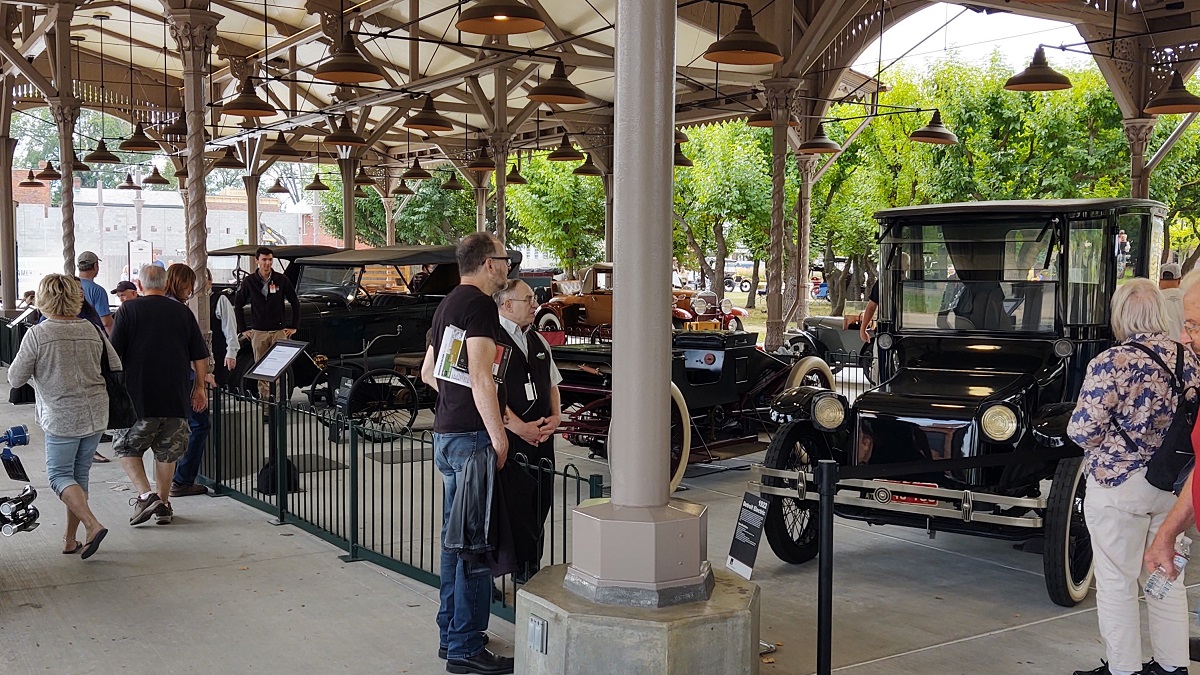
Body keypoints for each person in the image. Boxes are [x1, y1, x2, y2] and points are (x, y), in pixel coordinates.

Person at [1067, 278, 1197, 675]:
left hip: (1117, 486)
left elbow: (1083, 431)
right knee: (1165, 575)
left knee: (1116, 581)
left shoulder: (1112, 362)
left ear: (1120, 315)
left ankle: (1123, 669)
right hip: (1171, 486)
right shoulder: (1189, 358)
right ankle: (1173, 666)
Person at [420, 233, 514, 675]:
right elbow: (481, 377)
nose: (508, 265)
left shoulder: (446, 306)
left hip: (445, 435)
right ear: (487, 264)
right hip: (472, 440)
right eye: (504, 258)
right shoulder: (479, 307)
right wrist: (498, 435)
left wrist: (457, 403)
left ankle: (449, 633)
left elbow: (429, 373)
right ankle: (465, 647)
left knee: (452, 541)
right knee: (474, 545)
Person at [8, 273, 113, 559]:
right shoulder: (92, 329)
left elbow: (15, 378)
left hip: (62, 415)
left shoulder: (39, 334)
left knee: (58, 476)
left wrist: (45, 378)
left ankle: (92, 525)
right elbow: (114, 366)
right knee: (78, 477)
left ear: (43, 300)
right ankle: (69, 539)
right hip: (95, 413)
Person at [111, 264, 210, 527]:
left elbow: (113, 354)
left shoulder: (128, 310)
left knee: (126, 447)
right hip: (175, 396)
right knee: (168, 453)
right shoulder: (182, 312)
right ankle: (164, 505)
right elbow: (200, 355)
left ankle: (146, 495)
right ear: (166, 286)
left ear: (140, 286)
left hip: (137, 398)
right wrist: (199, 387)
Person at [493, 279, 562, 584]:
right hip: (509, 440)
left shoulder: (538, 340)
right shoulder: (491, 340)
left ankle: (529, 569)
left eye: (534, 299)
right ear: (507, 305)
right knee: (510, 510)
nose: (536, 304)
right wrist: (517, 427)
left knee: (539, 504)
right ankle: (501, 571)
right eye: (528, 299)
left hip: (542, 440)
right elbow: (487, 391)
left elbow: (552, 383)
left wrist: (556, 417)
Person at [163, 265, 222, 498]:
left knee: (171, 429)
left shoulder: (161, 306)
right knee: (198, 424)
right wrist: (201, 379)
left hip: (166, 378)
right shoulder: (180, 310)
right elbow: (193, 350)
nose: (191, 289)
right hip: (184, 377)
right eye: (189, 284)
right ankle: (183, 479)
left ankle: (171, 479)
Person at [233, 246, 299, 400]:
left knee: (281, 370)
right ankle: (266, 406)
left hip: (278, 331)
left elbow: (295, 302)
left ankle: (281, 403)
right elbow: (238, 305)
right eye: (264, 260)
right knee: (262, 370)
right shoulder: (249, 281)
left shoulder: (281, 280)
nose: (267, 263)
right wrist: (243, 329)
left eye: (270, 260)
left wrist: (294, 326)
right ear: (257, 261)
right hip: (259, 332)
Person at [77, 251, 113, 333]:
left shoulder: (69, 286)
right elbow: (106, 322)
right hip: (92, 334)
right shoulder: (97, 290)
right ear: (95, 266)